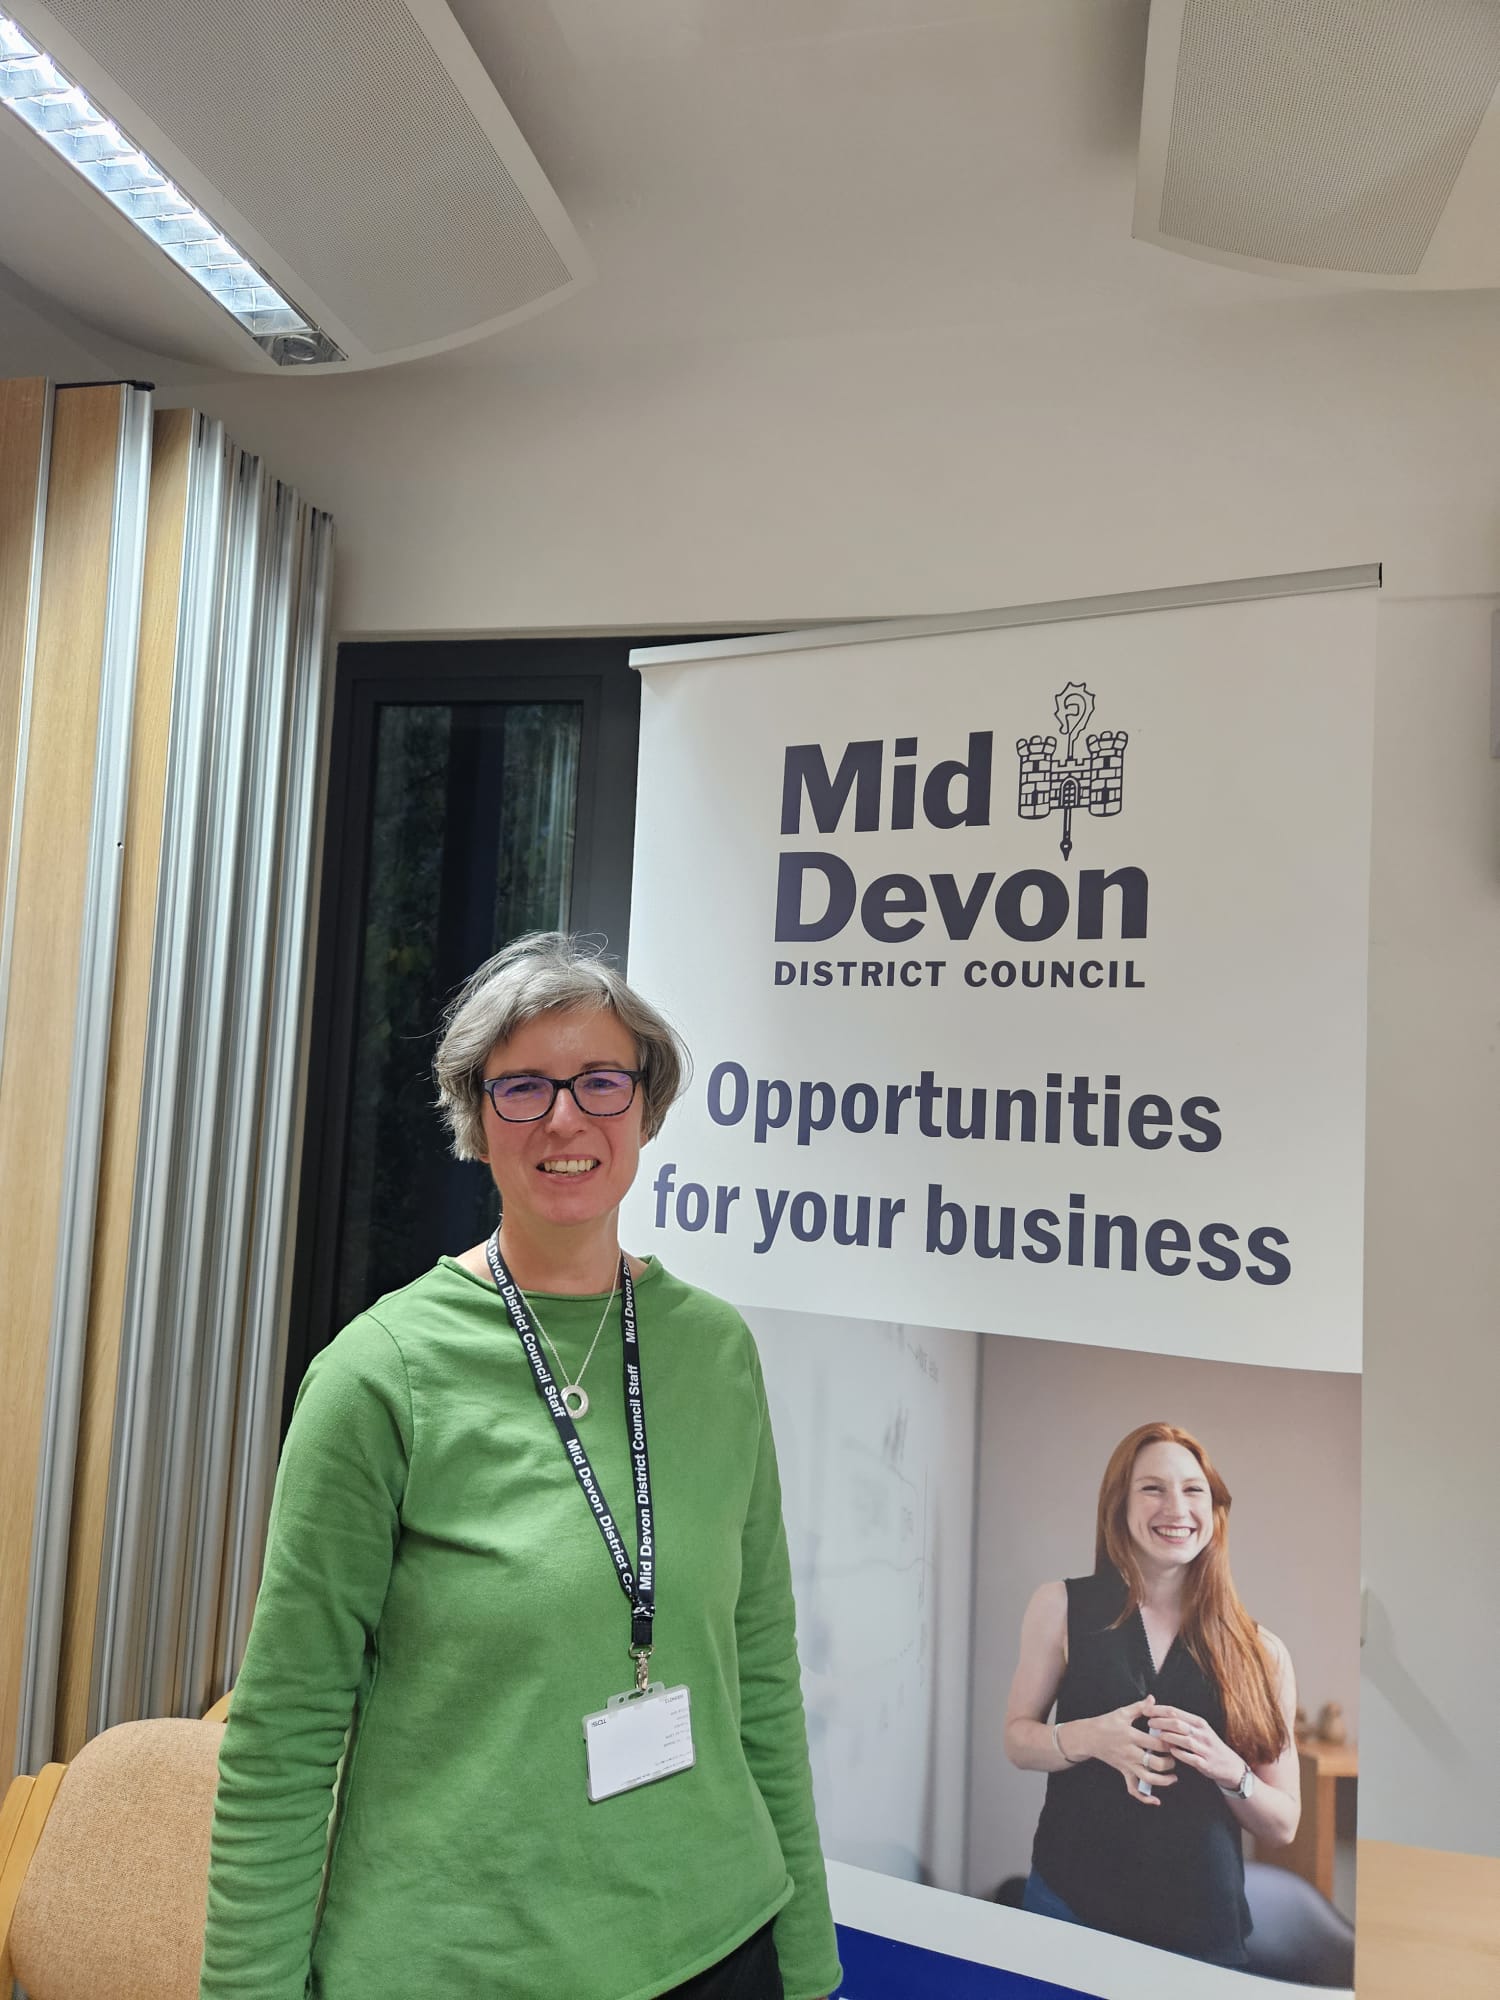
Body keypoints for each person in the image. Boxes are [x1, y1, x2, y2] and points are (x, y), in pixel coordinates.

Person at [200, 932, 840, 2000]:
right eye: (522, 1087)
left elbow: (762, 1675)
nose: (565, 1118)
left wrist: (812, 1963)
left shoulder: (715, 1350)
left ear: (644, 1105)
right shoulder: (381, 1373)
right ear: (474, 1119)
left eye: (598, 1079)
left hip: (721, 1940)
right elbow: (285, 1731)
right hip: (462, 1964)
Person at [1002, 1421, 1301, 1970]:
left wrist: (1229, 1768)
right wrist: (1090, 1737)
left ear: (1215, 1510)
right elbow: (1018, 1740)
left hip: (1202, 1930)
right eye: (1152, 1488)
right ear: (1120, 1503)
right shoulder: (1059, 1606)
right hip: (1068, 1907)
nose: (1176, 1507)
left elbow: (1283, 1825)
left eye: (1193, 1490)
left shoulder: (1264, 1651)